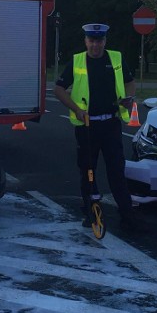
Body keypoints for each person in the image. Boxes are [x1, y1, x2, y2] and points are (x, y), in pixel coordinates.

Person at [53, 23, 140, 231]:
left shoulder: (115, 58)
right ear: (85, 41)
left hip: (110, 123)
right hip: (87, 126)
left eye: (99, 40)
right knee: (88, 171)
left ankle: (128, 215)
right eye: (91, 40)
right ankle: (91, 213)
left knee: (117, 170)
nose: (95, 45)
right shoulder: (77, 61)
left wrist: (128, 98)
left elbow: (130, 81)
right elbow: (58, 88)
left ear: (104, 41)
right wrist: (76, 109)